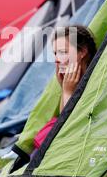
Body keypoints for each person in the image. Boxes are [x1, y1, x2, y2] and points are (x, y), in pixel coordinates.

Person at [32, 26, 97, 154]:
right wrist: (64, 87)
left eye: (63, 52)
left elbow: (69, 128)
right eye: (55, 53)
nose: (56, 59)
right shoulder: (74, 81)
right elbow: (62, 119)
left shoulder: (95, 80)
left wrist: (67, 92)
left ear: (82, 52)